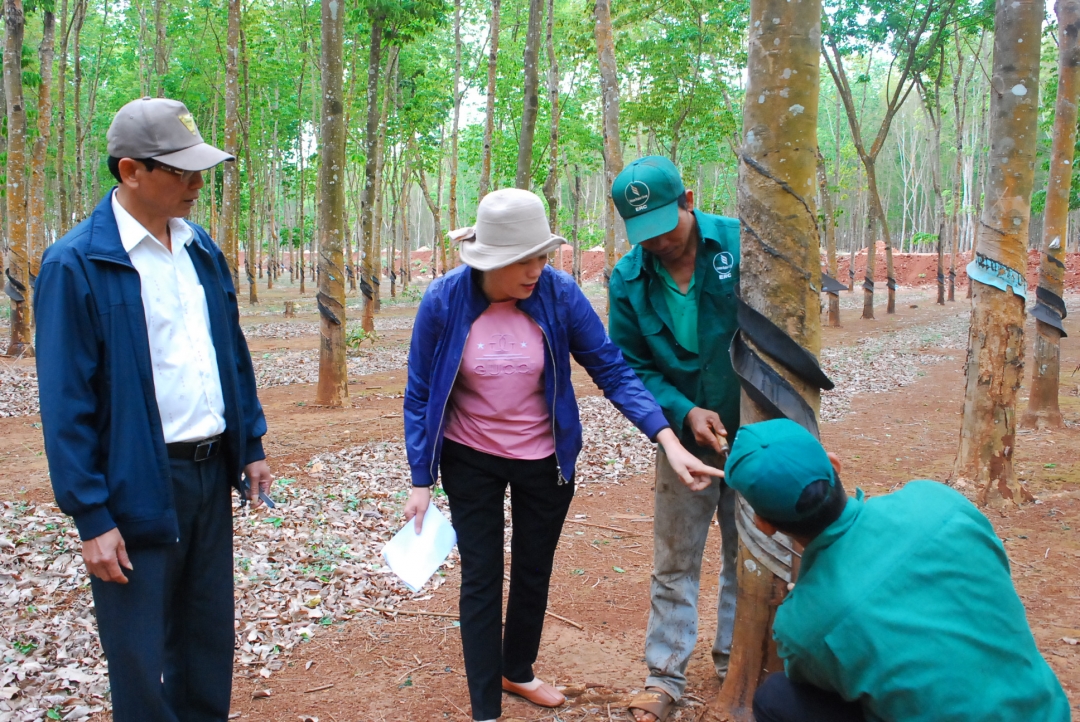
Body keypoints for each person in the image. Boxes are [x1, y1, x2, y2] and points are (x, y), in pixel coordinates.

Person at [401, 188, 721, 722]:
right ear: (492, 260)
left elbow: (613, 370)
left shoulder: (559, 294)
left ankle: (517, 670)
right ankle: (486, 709)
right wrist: (420, 478)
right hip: (469, 455)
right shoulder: (445, 299)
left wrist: (667, 438)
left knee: (533, 567)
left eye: (543, 256)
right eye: (524, 260)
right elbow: (419, 392)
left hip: (544, 458)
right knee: (481, 575)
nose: (537, 269)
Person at [34, 97, 271, 722]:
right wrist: (91, 515)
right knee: (140, 656)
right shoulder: (77, 264)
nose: (197, 183)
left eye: (200, 169)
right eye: (180, 170)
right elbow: (66, 404)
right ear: (130, 170)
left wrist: (249, 443)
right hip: (136, 480)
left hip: (207, 474)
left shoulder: (200, 250)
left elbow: (231, 355)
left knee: (206, 637)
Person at [723, 418, 1072, 722]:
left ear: (764, 524)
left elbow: (828, 682)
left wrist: (811, 598)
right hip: (1047, 713)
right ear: (835, 464)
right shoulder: (939, 503)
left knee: (777, 699)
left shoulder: (803, 625)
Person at [605, 156, 741, 722]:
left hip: (758, 430)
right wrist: (684, 415)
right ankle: (664, 677)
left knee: (754, 552)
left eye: (664, 222)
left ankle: (740, 664)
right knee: (675, 559)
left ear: (688, 198)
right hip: (685, 441)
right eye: (642, 232)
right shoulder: (627, 278)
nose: (656, 240)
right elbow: (631, 368)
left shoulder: (740, 244)